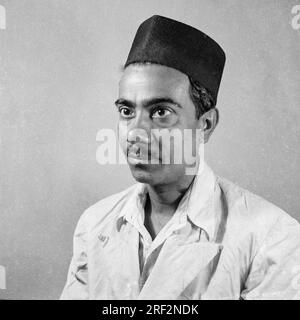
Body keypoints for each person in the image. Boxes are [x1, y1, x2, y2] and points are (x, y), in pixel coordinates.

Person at [60, 15, 300, 300]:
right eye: (126, 111)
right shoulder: (95, 222)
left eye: (160, 112)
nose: (136, 133)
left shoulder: (271, 236)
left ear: (205, 124)